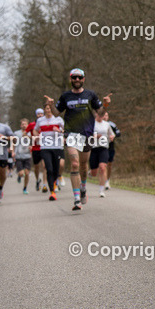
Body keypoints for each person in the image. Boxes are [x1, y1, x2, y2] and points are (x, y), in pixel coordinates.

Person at [44, 68, 111, 211]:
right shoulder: (66, 96)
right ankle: (76, 200)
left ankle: (83, 188)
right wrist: (50, 104)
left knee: (82, 165)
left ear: (83, 79)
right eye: (74, 78)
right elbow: (56, 113)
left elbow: (100, 113)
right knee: (74, 164)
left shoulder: (90, 94)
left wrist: (105, 104)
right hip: (71, 134)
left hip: (86, 134)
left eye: (79, 77)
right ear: (70, 79)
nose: (77, 80)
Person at [34, 102, 64, 201]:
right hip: (45, 147)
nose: (49, 110)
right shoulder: (40, 120)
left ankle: (55, 183)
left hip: (57, 147)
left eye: (50, 108)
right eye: (47, 108)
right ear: (44, 110)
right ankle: (52, 192)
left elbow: (67, 130)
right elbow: (35, 130)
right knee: (49, 168)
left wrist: (59, 131)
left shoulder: (58, 119)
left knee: (56, 169)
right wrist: (37, 135)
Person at [89, 109, 115, 197]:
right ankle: (91, 172)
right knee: (94, 172)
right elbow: (87, 134)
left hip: (104, 148)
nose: (100, 116)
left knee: (103, 167)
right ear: (96, 114)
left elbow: (112, 134)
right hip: (94, 148)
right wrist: (96, 136)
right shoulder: (91, 123)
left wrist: (111, 136)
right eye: (99, 114)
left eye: (102, 115)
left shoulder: (107, 124)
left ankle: (101, 190)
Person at [13, 118, 33, 194]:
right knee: (21, 173)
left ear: (28, 125)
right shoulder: (16, 133)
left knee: (27, 173)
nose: (24, 125)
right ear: (20, 125)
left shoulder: (31, 133)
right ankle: (19, 175)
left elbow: (34, 142)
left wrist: (31, 146)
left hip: (28, 156)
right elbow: (13, 143)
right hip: (19, 156)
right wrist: (13, 152)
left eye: (25, 124)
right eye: (22, 124)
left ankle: (25, 188)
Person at [29, 108, 45, 191]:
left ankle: (45, 183)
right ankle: (37, 179)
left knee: (45, 165)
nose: (40, 115)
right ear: (36, 115)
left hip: (45, 147)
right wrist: (32, 138)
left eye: (41, 114)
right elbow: (25, 134)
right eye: (38, 114)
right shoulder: (32, 125)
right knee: (37, 167)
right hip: (35, 148)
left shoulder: (46, 123)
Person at [105, 116, 121, 191]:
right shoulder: (96, 124)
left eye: (106, 115)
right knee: (102, 164)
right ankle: (104, 181)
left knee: (109, 164)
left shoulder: (111, 124)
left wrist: (114, 135)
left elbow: (118, 133)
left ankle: (107, 180)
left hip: (110, 147)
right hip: (100, 147)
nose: (104, 117)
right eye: (103, 115)